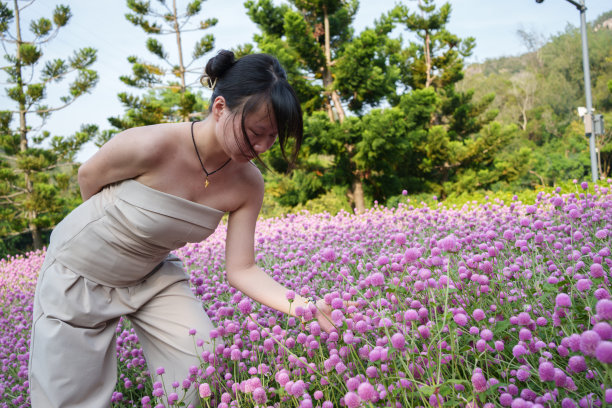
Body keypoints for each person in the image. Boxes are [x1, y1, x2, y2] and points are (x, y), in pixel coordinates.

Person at [28, 50, 336, 407]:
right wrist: (108, 242)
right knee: (66, 396)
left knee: (200, 359)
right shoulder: (151, 144)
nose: (263, 147)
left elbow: (243, 268)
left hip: (152, 273)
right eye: (256, 133)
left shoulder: (248, 183)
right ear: (220, 107)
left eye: (273, 137)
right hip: (78, 271)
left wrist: (303, 306)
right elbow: (89, 181)